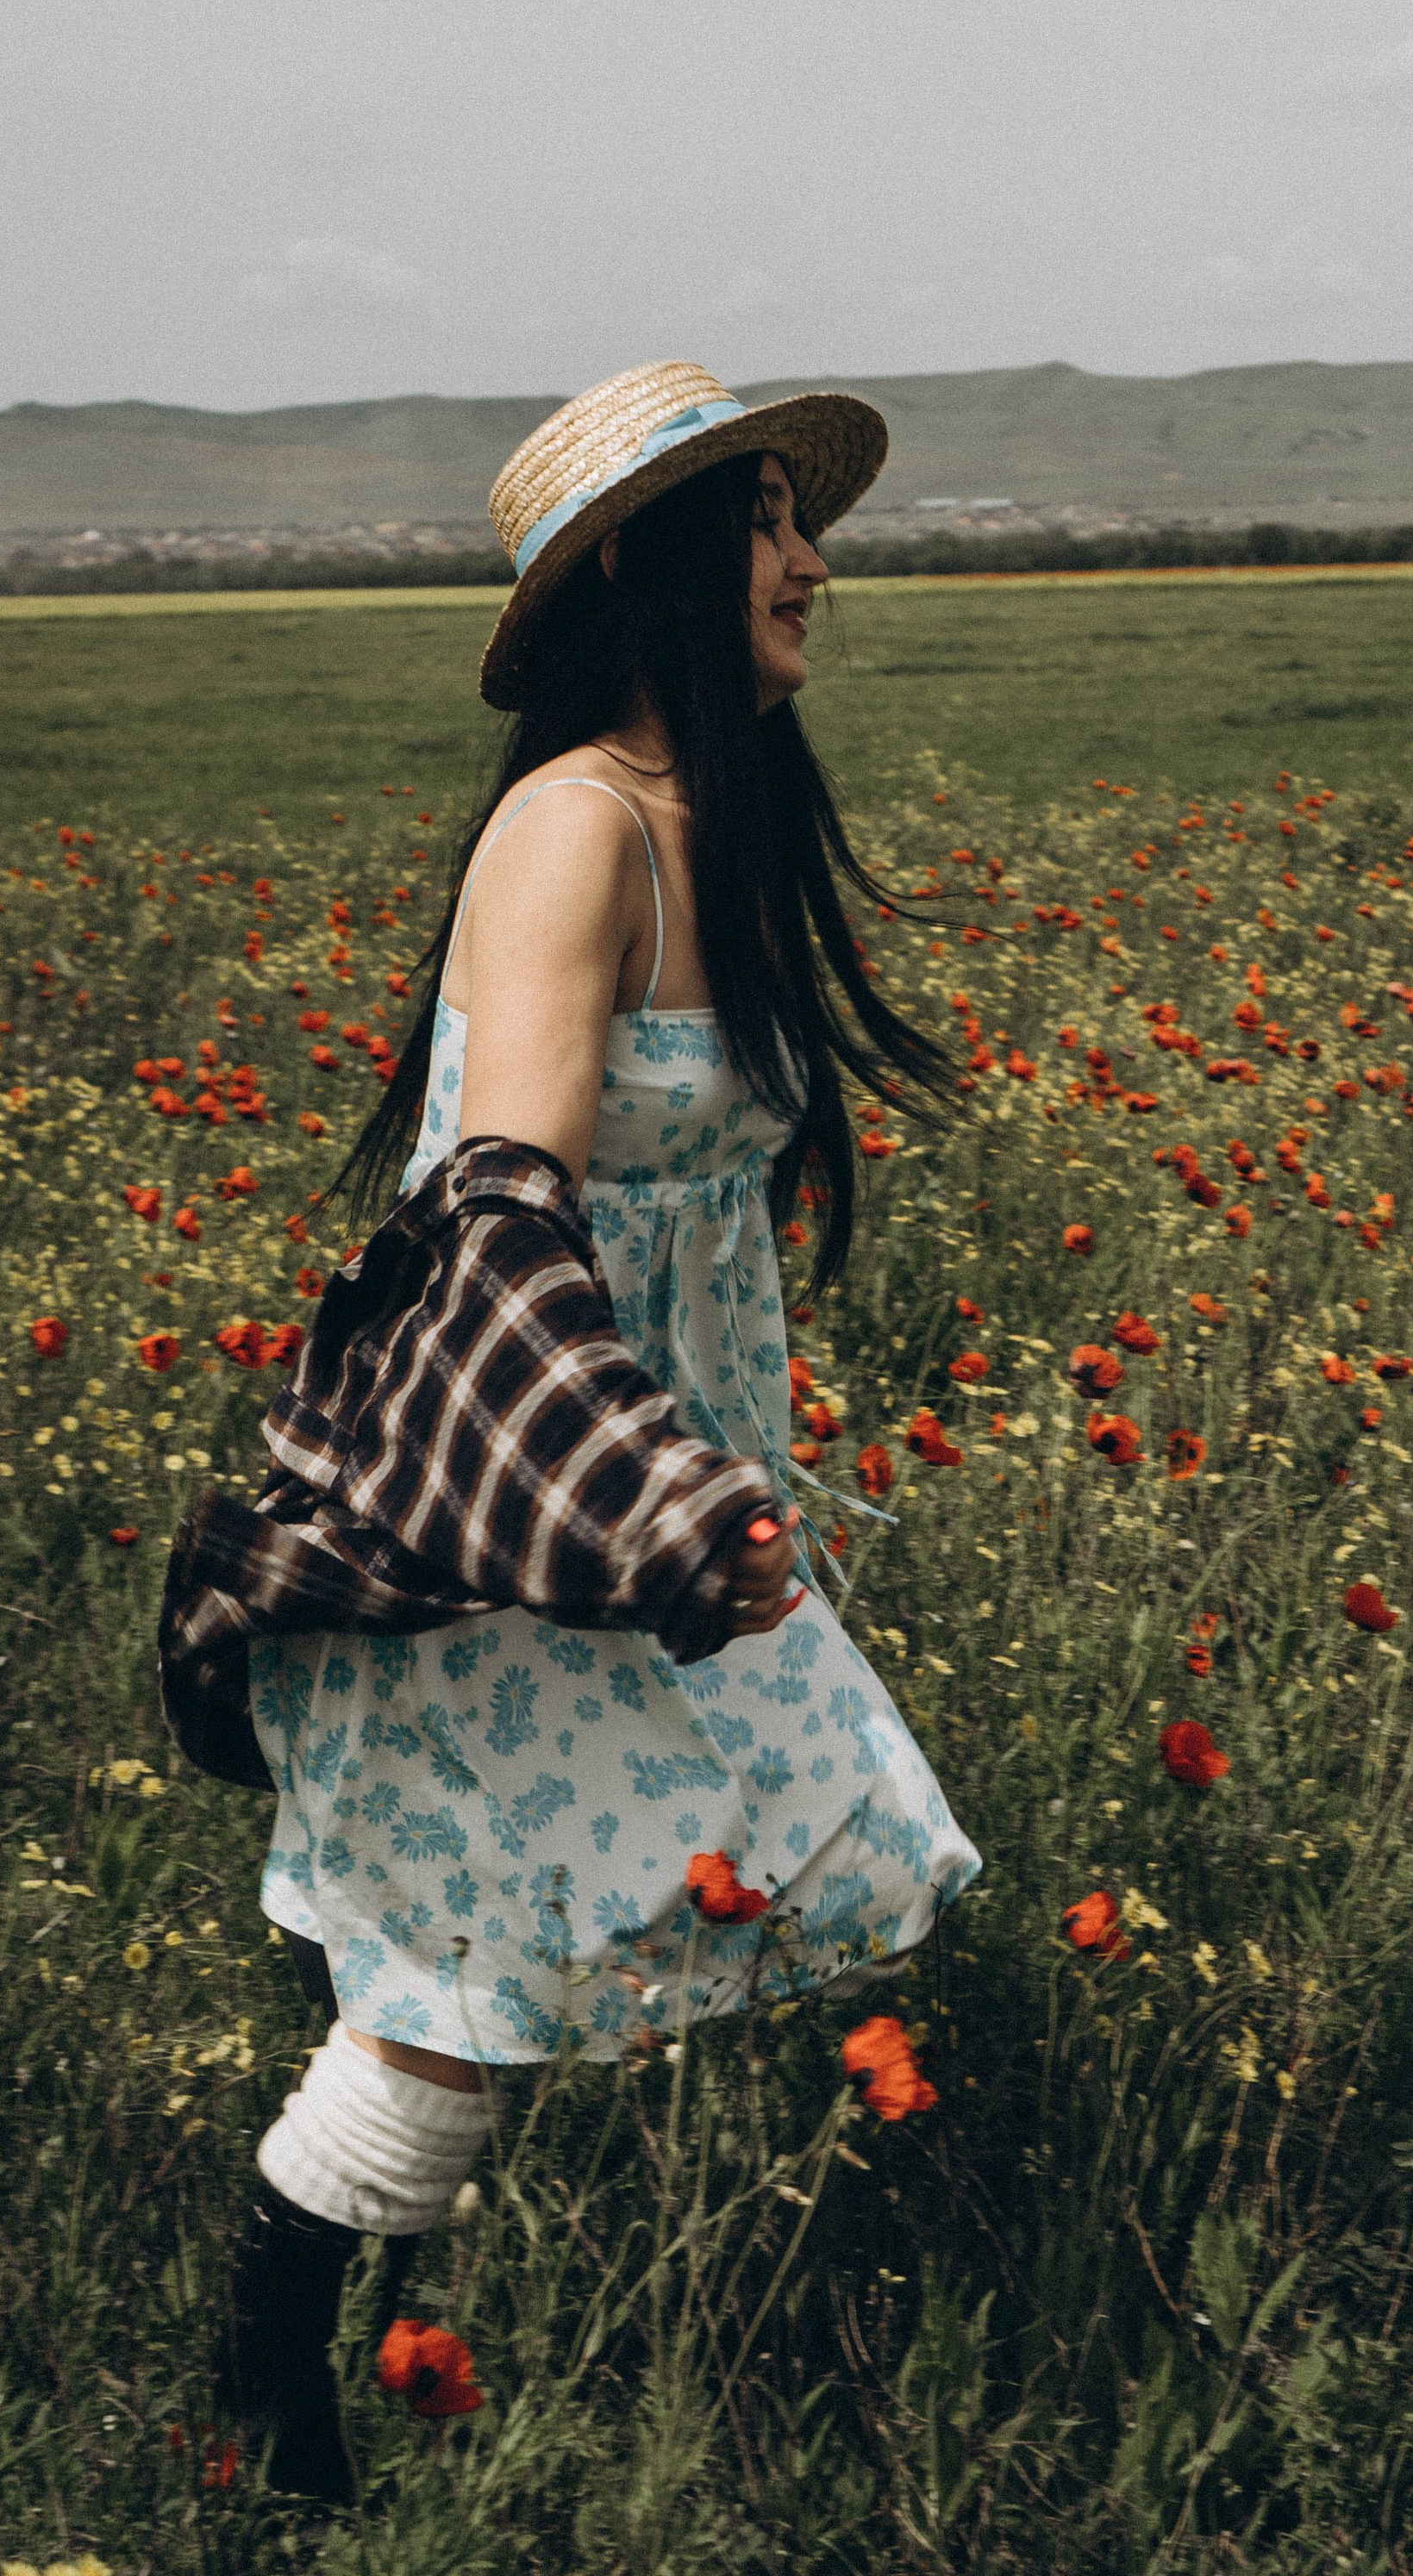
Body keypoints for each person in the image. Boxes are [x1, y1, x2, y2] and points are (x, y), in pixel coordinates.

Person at [178, 359, 980, 2503]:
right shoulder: (573, 830)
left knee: (613, 1918)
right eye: (766, 526)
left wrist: (717, 1476)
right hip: (528, 1496)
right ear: (650, 568)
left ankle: (358, 2359)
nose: (810, 565)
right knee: (461, 1982)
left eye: (800, 524)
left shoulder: (724, 812)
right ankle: (262, 2397)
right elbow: (502, 1221)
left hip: (665, 1497)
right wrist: (654, 1493)